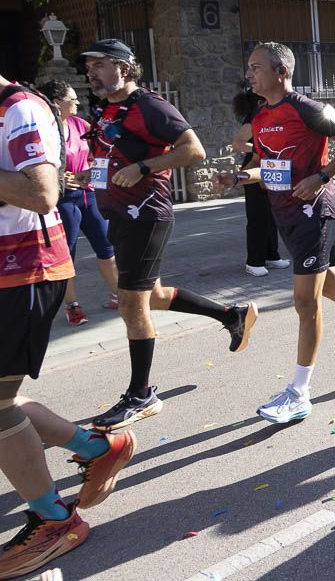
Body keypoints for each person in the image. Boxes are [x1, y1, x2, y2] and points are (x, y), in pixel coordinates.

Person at [214, 42, 335, 423]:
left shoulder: (308, 108)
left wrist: (320, 177)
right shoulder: (261, 116)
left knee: (306, 302)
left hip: (314, 212)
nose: (249, 74)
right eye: (248, 68)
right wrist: (237, 177)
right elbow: (265, 167)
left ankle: (299, 392)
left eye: (255, 68)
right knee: (331, 284)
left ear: (280, 71)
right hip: (285, 213)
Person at [0, 73, 137, 579]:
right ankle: (99, 447)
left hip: (23, 271)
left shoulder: (21, 108)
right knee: (1, 400)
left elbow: (41, 193)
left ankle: (56, 520)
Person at [82, 40, 256, 431]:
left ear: (124, 67)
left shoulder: (149, 104)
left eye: (99, 65)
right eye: (88, 66)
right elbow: (112, 154)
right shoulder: (107, 108)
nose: (91, 72)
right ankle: (233, 314)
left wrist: (144, 167)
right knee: (152, 297)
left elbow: (193, 150)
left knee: (131, 305)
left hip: (145, 215)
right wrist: (90, 175)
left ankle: (141, 394)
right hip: (121, 216)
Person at [38, 79, 118, 325]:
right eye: (72, 99)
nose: (77, 102)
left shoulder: (80, 124)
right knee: (67, 256)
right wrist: (60, 178)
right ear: (55, 103)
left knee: (107, 247)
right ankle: (72, 306)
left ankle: (119, 295)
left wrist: (93, 174)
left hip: (90, 195)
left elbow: (100, 154)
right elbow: (34, 167)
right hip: (62, 201)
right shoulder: (42, 129)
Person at [231, 89, 288, 277]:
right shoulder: (254, 116)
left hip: (272, 166)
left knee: (272, 214)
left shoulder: (269, 114)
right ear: (260, 102)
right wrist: (260, 148)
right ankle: (254, 261)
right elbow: (238, 143)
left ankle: (272, 255)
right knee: (257, 216)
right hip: (254, 168)